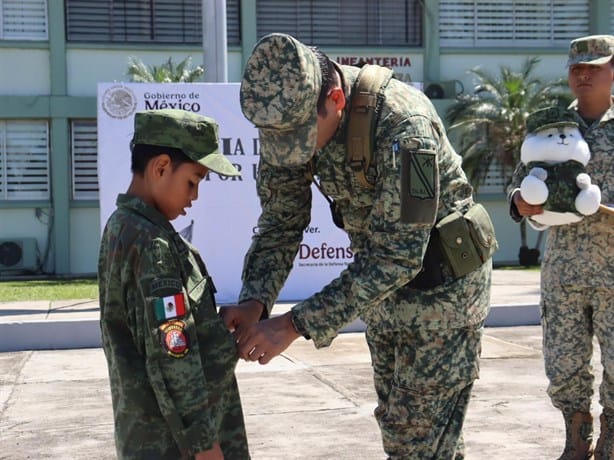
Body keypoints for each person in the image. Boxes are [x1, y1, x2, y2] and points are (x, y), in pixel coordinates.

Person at [220, 33, 496, 459]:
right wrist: (255, 300)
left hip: (446, 293)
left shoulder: (404, 126)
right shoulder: (288, 120)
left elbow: (400, 253)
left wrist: (292, 325)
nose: (291, 152)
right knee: (407, 430)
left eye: (299, 136)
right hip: (382, 295)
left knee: (412, 439)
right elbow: (281, 221)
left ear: (334, 99)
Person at [98, 108, 250, 460]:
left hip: (156, 434)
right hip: (176, 443)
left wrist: (211, 326)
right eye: (192, 181)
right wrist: (204, 445)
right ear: (161, 167)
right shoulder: (154, 245)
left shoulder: (124, 227)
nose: (193, 197)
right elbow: (172, 355)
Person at [508, 35, 614, 460]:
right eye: (576, 68)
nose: (583, 74)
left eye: (594, 66)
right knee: (563, 363)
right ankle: (576, 437)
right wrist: (520, 201)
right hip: (564, 272)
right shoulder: (550, 126)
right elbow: (521, 184)